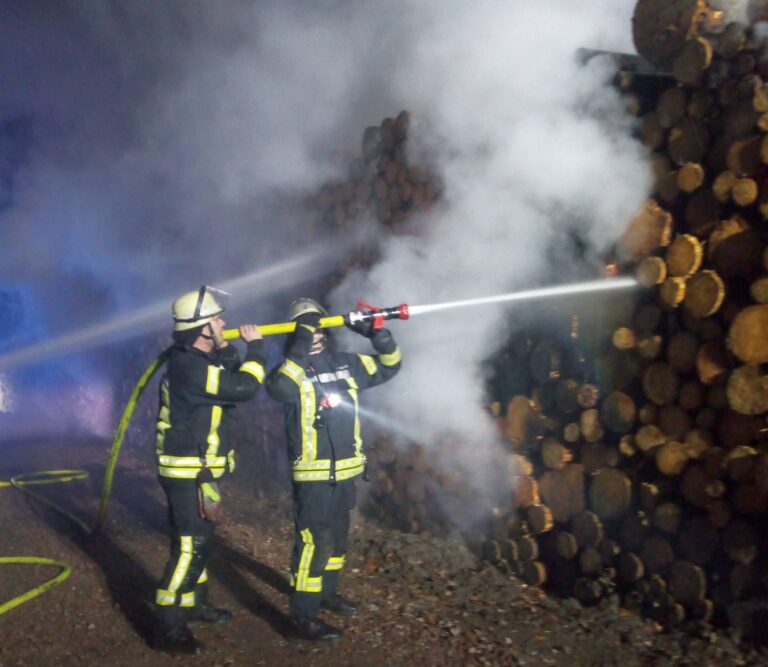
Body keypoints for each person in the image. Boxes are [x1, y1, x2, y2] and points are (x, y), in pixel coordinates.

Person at [266, 297, 401, 641]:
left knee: (337, 539)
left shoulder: (346, 363)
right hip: (313, 476)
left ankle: (328, 594)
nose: (312, 329)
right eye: (305, 324)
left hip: (346, 472)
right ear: (297, 331)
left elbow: (390, 366)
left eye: (316, 323)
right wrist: (298, 344)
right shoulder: (289, 370)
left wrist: (377, 336)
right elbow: (279, 389)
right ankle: (303, 616)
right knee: (313, 542)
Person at [151, 285, 265, 655]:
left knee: (202, 541)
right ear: (202, 329)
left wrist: (231, 348)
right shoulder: (188, 367)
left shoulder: (199, 359)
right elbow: (243, 387)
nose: (223, 322)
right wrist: (257, 349)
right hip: (185, 471)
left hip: (198, 470)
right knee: (190, 546)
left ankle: (194, 604)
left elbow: (226, 366)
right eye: (217, 319)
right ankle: (168, 626)